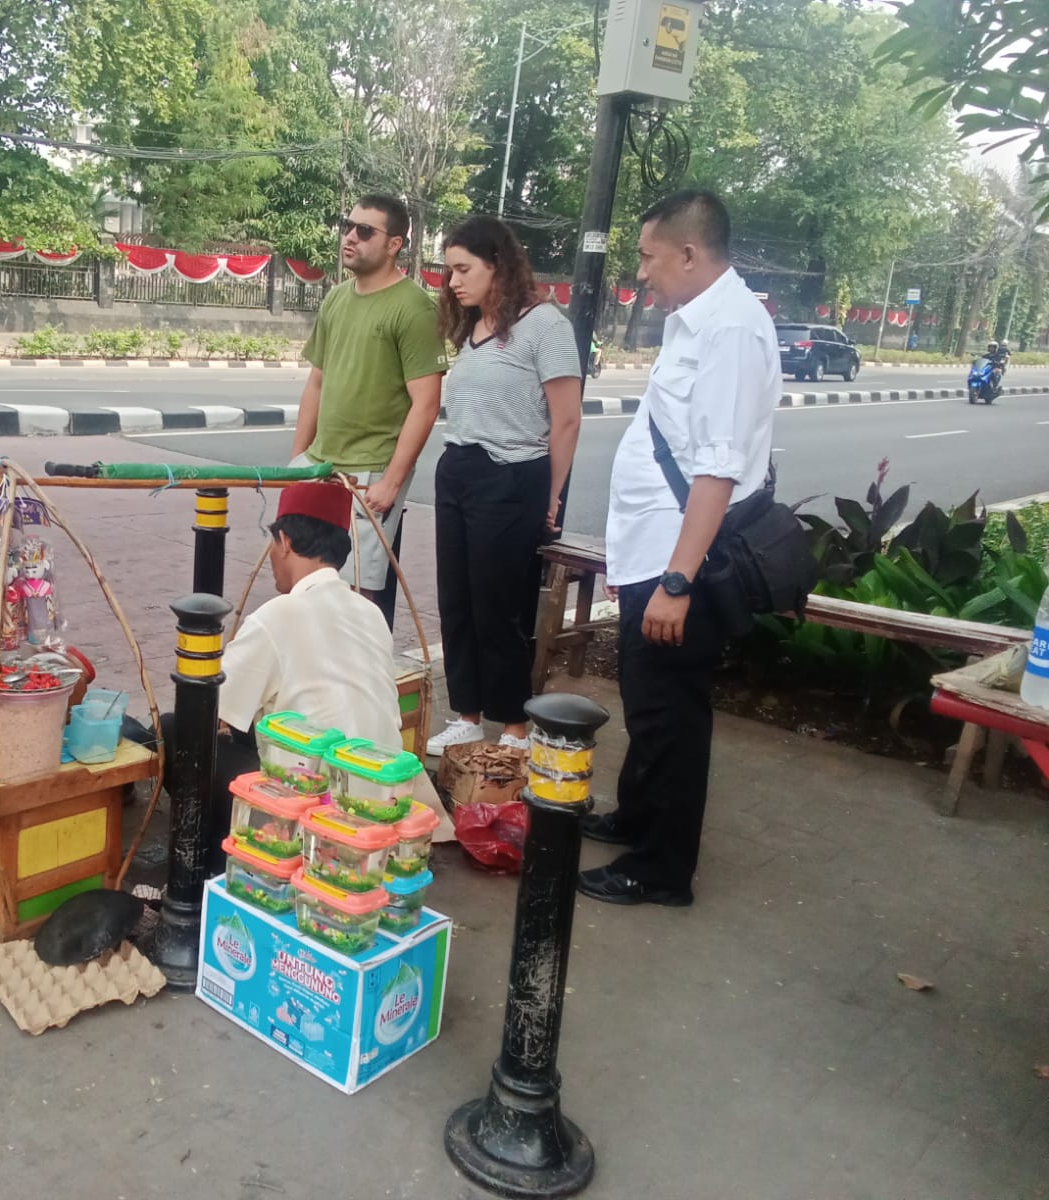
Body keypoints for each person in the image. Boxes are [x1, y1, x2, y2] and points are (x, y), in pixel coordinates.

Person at [579, 189, 779, 908]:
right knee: (647, 702)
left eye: (648, 256)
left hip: (680, 562)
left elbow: (718, 466)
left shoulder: (730, 331)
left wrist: (677, 580)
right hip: (653, 552)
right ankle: (637, 816)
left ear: (690, 253)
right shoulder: (696, 323)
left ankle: (661, 869)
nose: (642, 272)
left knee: (671, 715)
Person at [158, 482, 448, 853]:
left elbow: (209, 712)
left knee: (176, 730)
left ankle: (213, 859)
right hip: (383, 800)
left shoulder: (277, 616)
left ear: (285, 543)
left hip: (317, 813)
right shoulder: (371, 613)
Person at [425, 216, 583, 759]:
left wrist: (553, 494)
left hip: (512, 476)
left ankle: (515, 725)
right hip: (459, 471)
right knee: (458, 602)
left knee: (500, 607)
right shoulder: (473, 328)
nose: (454, 282)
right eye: (449, 271)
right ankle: (467, 715)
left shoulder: (543, 325)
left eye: (464, 269)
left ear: (498, 265)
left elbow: (565, 419)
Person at [290, 194, 447, 602]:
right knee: (304, 578)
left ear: (394, 244)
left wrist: (393, 481)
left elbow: (426, 402)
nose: (349, 237)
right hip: (320, 464)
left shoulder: (413, 309)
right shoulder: (337, 298)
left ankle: (357, 666)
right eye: (347, 226)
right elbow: (317, 383)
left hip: (371, 472)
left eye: (364, 231)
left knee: (357, 591)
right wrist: (297, 462)